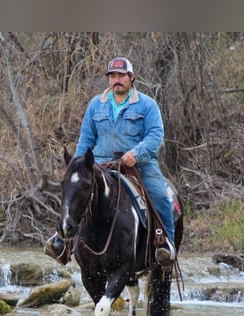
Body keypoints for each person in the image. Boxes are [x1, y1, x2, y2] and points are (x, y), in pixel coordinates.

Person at [45, 56, 176, 265]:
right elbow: (86, 138)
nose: (117, 80)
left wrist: (136, 153)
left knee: (160, 195)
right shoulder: (96, 105)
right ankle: (63, 240)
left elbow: (155, 135)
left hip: (139, 164)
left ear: (131, 77)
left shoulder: (147, 105)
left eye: (121, 75)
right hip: (100, 163)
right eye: (113, 76)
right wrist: (77, 165)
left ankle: (165, 244)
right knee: (74, 192)